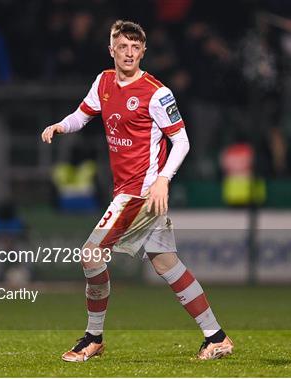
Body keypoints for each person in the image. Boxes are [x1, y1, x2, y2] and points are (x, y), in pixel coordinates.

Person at [41, 20, 233, 362]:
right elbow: (82, 115)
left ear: (143, 51)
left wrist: (163, 179)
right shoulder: (103, 82)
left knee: (91, 254)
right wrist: (60, 125)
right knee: (167, 264)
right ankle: (215, 336)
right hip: (133, 191)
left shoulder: (156, 92)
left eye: (135, 47)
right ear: (111, 49)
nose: (129, 53)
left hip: (140, 193)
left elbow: (182, 141)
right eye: (123, 46)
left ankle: (93, 338)